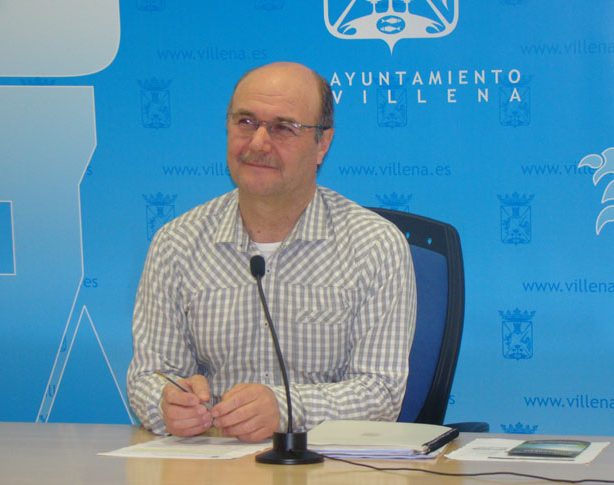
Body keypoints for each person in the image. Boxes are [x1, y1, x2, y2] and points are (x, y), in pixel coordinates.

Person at [127, 61, 416, 442]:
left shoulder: (374, 245)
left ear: (322, 144)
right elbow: (149, 376)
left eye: (283, 128)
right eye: (246, 122)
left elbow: (380, 392)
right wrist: (168, 403)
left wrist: (284, 409)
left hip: (325, 465)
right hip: (213, 462)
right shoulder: (177, 243)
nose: (258, 143)